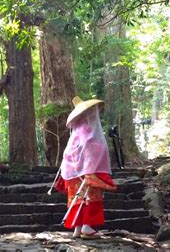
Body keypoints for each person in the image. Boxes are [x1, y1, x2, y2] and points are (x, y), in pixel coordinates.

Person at [59, 96, 117, 239]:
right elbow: (91, 148)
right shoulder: (88, 130)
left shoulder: (77, 131)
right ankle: (86, 226)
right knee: (89, 197)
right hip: (87, 171)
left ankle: (77, 229)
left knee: (77, 198)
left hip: (72, 171)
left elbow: (71, 151)